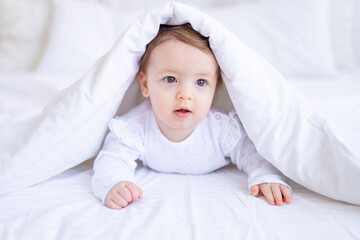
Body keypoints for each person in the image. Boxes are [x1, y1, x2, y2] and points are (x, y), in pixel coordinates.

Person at [92, 23, 292, 209]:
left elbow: (255, 154)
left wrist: (265, 176)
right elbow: (111, 159)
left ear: (216, 88)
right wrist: (114, 182)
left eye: (201, 83)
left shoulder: (222, 128)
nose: (185, 94)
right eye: (170, 79)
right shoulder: (133, 127)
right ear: (145, 85)